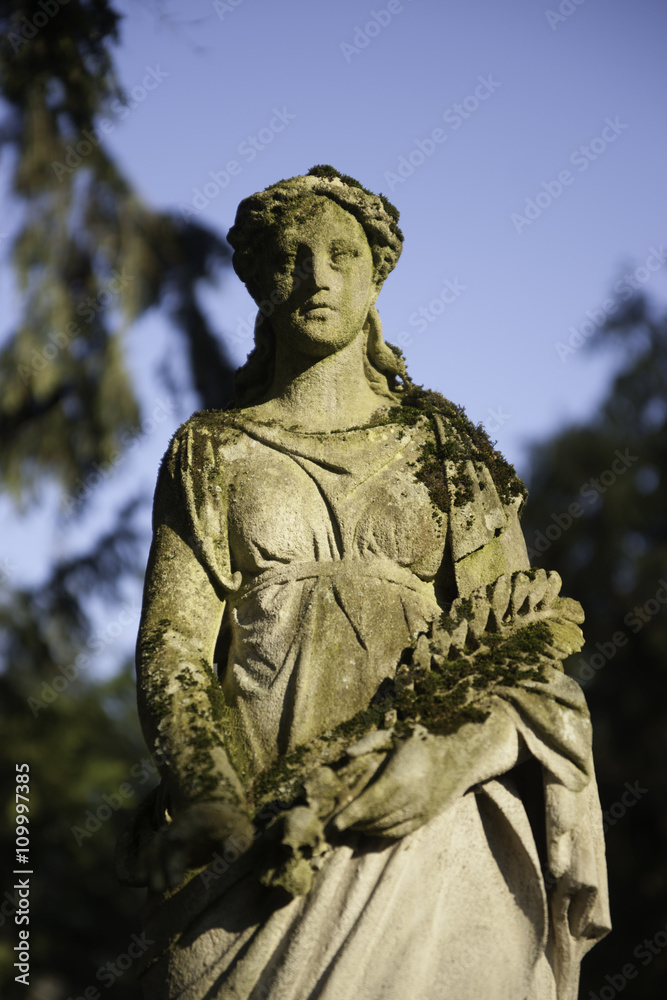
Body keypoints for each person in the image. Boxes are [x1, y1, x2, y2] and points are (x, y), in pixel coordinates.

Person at [127, 167, 610, 1000]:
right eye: (290, 259)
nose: (317, 279)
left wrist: (445, 759)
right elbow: (173, 646)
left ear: (376, 273)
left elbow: (526, 649)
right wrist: (208, 793)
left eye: (341, 255)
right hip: (262, 825)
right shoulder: (210, 451)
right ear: (256, 281)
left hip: (433, 809)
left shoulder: (446, 451)